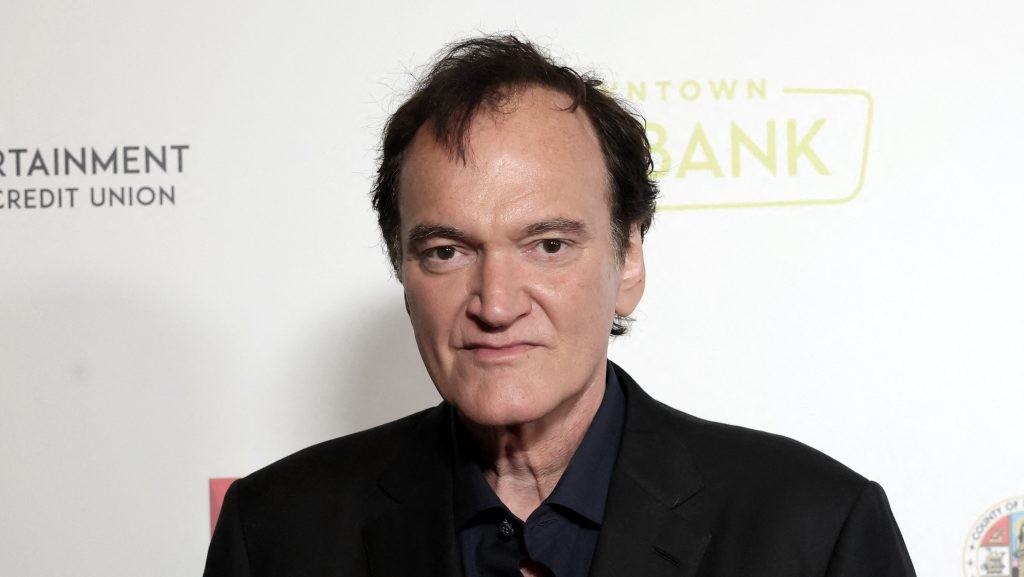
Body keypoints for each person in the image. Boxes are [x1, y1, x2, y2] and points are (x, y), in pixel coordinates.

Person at [203, 35, 916, 577]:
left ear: (628, 260)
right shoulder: (276, 533)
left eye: (547, 245)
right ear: (402, 267)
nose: (496, 303)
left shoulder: (814, 529)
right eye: (447, 251)